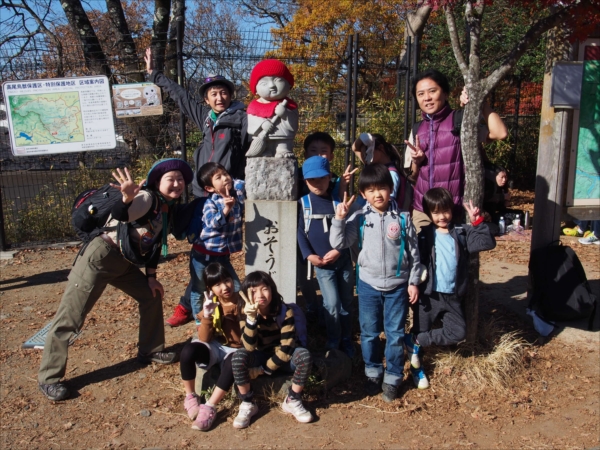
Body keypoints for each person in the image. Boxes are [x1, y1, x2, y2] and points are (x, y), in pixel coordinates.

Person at [38, 158, 194, 401]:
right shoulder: (146, 198)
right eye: (170, 179)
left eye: (180, 179)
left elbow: (152, 246)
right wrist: (126, 198)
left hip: (123, 261)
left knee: (150, 295)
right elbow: (121, 214)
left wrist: (151, 278)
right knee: (71, 317)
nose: (177, 183)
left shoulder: (166, 207)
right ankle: (49, 378)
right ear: (157, 182)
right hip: (99, 258)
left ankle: (150, 350)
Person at [145, 48, 250, 327]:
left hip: (224, 194)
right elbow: (181, 96)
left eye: (223, 92)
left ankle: (189, 307)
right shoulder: (205, 117)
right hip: (201, 194)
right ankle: (192, 307)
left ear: (231, 95)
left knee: (216, 252)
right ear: (206, 98)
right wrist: (154, 74)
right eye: (213, 94)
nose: (219, 97)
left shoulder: (241, 118)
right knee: (202, 250)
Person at [329, 164, 421, 403]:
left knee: (395, 333)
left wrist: (412, 281)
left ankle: (392, 377)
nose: (377, 194)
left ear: (391, 189)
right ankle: (372, 372)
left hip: (398, 285)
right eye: (370, 190)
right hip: (368, 284)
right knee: (369, 333)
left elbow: (413, 253)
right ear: (362, 194)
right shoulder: (358, 217)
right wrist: (339, 219)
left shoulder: (403, 218)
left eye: (382, 188)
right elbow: (339, 243)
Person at [406, 187, 496, 389]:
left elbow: (486, 243)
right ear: (428, 213)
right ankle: (416, 368)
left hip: (453, 297)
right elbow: (413, 260)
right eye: (436, 212)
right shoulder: (423, 235)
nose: (442, 216)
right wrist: (413, 284)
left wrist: (477, 221)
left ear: (452, 210)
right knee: (422, 325)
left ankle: (416, 340)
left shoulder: (461, 233)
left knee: (458, 332)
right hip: (428, 297)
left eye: (445, 210)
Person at [405, 69, 508, 232]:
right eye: (421, 94)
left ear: (445, 94)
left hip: (453, 210)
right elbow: (412, 176)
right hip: (423, 210)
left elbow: (500, 133)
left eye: (432, 91)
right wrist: (416, 163)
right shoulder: (418, 129)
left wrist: (479, 103)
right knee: (422, 256)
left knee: (453, 256)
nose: (427, 98)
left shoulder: (459, 120)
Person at [229, 271, 313, 428]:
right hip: (259, 354)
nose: (260, 295)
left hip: (283, 357)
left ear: (272, 289)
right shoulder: (244, 312)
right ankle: (247, 402)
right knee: (239, 356)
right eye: (253, 291)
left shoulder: (284, 310)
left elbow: (287, 347)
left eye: (264, 288)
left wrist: (263, 370)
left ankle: (292, 399)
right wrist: (251, 319)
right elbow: (248, 346)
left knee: (303, 355)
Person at [297, 156, 354, 356]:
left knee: (346, 302)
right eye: (312, 180)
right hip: (322, 265)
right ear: (305, 181)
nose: (317, 184)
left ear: (330, 177)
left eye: (321, 178)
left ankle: (346, 339)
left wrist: (339, 250)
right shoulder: (303, 204)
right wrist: (309, 256)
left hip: (343, 260)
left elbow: (348, 229)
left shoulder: (337, 200)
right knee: (331, 304)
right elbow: (300, 233)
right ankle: (333, 341)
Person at [179, 263, 244, 431]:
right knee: (188, 351)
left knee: (233, 361)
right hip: (216, 346)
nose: (224, 287)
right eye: (217, 284)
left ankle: (209, 406)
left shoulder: (243, 300)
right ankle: (191, 396)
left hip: (237, 349)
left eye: (227, 281)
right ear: (210, 288)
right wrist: (207, 315)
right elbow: (205, 338)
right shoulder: (212, 303)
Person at [297, 132, 350, 323]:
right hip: (311, 247)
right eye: (313, 151)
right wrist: (308, 253)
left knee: (341, 297)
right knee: (305, 277)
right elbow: (300, 229)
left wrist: (342, 187)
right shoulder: (300, 184)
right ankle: (313, 309)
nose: (319, 155)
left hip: (337, 253)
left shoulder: (336, 184)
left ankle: (340, 331)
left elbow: (347, 220)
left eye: (323, 151)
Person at [187, 162, 244, 327]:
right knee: (199, 288)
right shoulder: (210, 203)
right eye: (218, 177)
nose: (225, 178)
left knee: (236, 286)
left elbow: (247, 181)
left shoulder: (237, 191)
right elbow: (212, 223)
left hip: (223, 255)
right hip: (202, 255)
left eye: (225, 173)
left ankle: (235, 317)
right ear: (210, 188)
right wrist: (226, 210)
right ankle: (201, 321)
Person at [352, 133, 411, 210]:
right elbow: (354, 148)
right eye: (364, 154)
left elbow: (387, 202)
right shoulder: (371, 164)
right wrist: (362, 138)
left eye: (368, 152)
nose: (365, 157)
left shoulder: (391, 173)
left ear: (380, 148)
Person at [483, 165, 524, 234]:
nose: (504, 180)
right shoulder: (489, 186)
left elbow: (500, 207)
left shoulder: (503, 188)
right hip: (488, 215)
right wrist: (502, 197)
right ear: (495, 176)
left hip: (498, 213)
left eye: (505, 177)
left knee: (519, 214)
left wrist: (505, 202)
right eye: (502, 177)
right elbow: (487, 198)